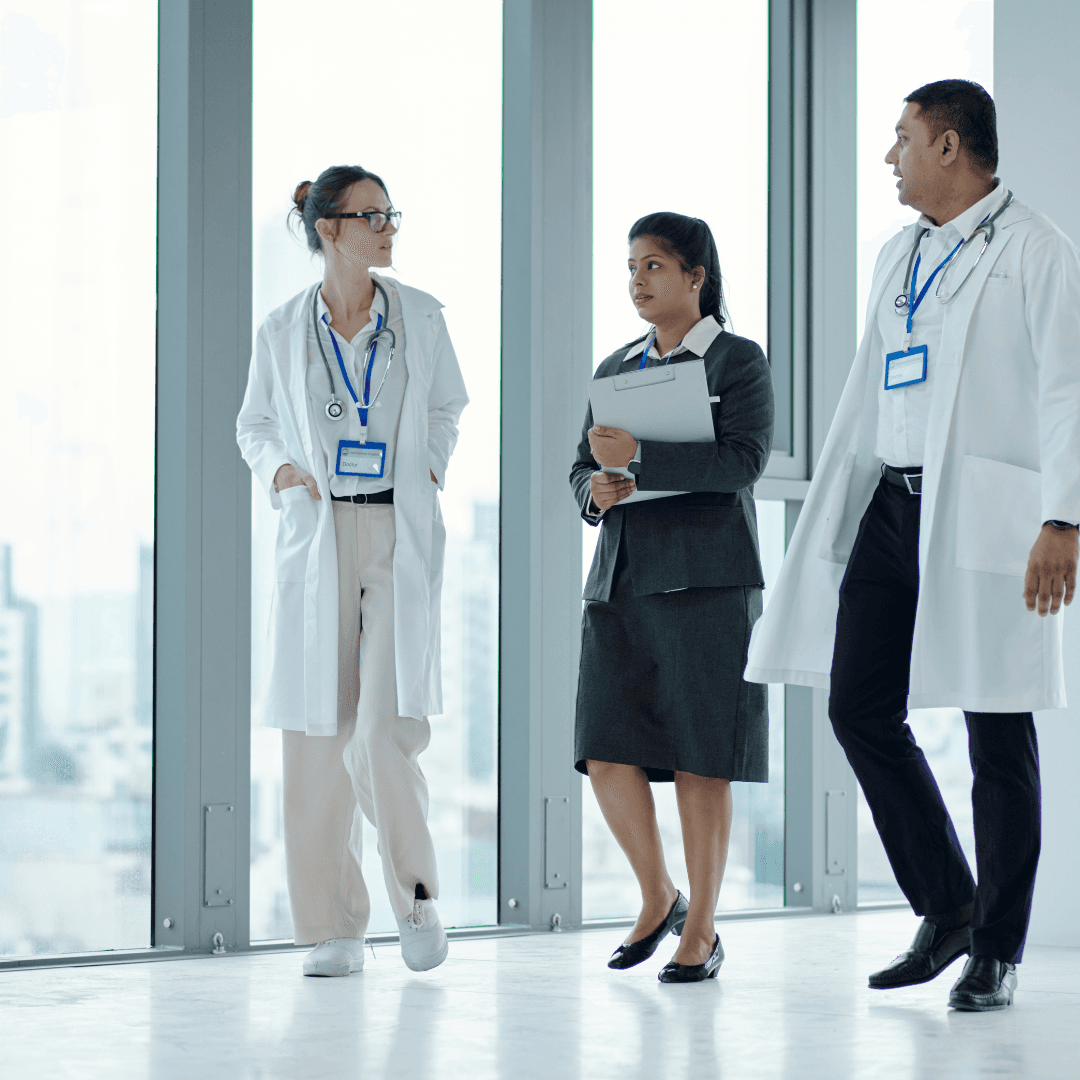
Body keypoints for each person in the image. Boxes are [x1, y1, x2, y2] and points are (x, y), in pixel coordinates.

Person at [745, 80, 1080, 1011]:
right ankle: (949, 904)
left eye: (902, 139)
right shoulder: (901, 253)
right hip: (891, 508)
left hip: (992, 517)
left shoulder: (1039, 252)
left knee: (997, 725)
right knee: (857, 706)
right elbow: (877, 388)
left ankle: (998, 949)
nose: (890, 155)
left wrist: (1066, 518)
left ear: (950, 145)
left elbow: (1069, 391)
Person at [237, 165, 468, 977]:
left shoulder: (422, 318)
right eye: (372, 215)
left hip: (395, 530)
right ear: (329, 228)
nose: (389, 227)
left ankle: (418, 902)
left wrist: (432, 464)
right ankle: (334, 927)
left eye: (391, 213)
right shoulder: (280, 329)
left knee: (382, 731)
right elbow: (255, 424)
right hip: (319, 532)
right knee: (318, 734)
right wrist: (280, 474)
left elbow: (447, 406)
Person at [570, 212, 775, 983]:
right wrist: (596, 488)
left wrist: (643, 459)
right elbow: (578, 471)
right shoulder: (617, 366)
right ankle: (658, 896)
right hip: (621, 578)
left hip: (707, 584)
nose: (637, 280)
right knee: (604, 747)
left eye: (654, 266)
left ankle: (703, 930)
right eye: (631, 267)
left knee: (701, 757)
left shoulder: (736, 361)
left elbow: (744, 461)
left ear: (696, 275)